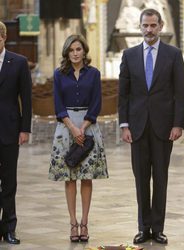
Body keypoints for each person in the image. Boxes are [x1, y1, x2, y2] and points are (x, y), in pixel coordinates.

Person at [118, 9, 184, 245]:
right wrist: (124, 124)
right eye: (145, 26)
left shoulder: (173, 54)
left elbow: (181, 92)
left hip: (163, 127)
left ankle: (158, 228)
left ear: (161, 26)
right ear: (140, 27)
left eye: (153, 25)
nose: (149, 30)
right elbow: (123, 94)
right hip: (136, 127)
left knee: (160, 178)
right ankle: (143, 227)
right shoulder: (129, 55)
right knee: (140, 180)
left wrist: (178, 124)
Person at [48, 34, 108, 243]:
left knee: (87, 176)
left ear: (84, 52)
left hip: (88, 125)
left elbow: (96, 103)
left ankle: (85, 221)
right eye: (71, 50)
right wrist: (72, 127)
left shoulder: (93, 74)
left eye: (78, 49)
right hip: (66, 127)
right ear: (67, 52)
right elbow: (57, 104)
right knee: (70, 176)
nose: (75, 53)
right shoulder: (58, 74)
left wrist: (83, 126)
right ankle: (73, 223)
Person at [0, 21, 32, 244]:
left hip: (10, 130)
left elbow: (27, 99)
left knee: (9, 182)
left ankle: (9, 228)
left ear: (3, 37)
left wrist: (25, 128)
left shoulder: (19, 62)